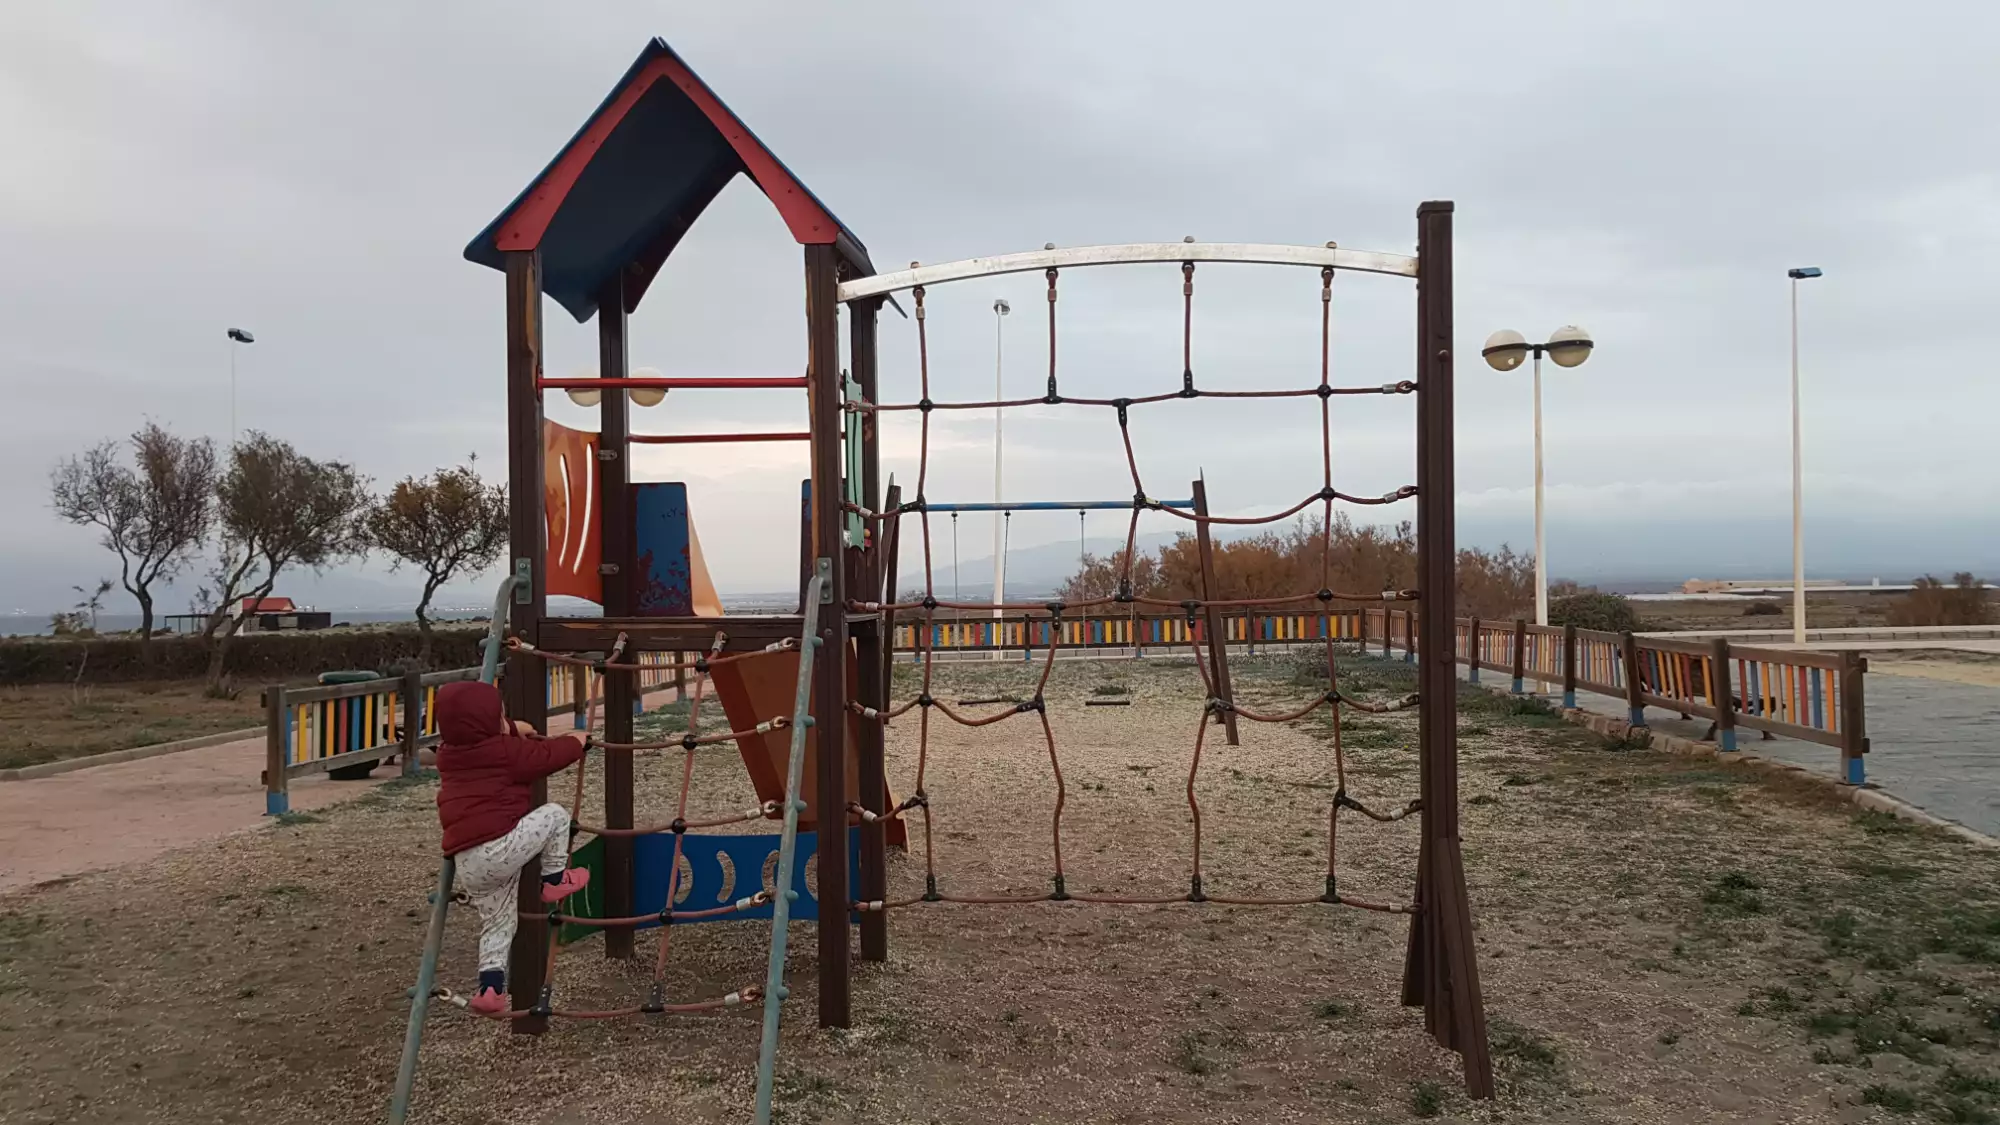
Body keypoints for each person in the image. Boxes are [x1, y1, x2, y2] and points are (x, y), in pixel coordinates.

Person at [432, 679, 591, 1015]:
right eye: (500, 715)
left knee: (498, 923)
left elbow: (482, 736)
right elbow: (544, 756)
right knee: (555, 816)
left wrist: (513, 727)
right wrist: (576, 742)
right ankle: (554, 879)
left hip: (468, 861)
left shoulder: (447, 754)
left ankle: (491, 988)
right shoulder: (505, 752)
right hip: (500, 846)